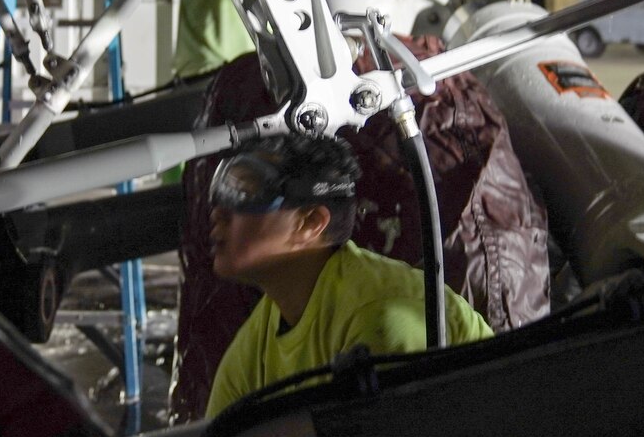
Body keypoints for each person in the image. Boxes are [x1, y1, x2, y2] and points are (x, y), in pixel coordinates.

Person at [204, 131, 491, 418]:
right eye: (222, 191)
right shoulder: (263, 331)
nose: (219, 212)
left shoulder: (382, 316)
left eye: (244, 192)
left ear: (311, 223)